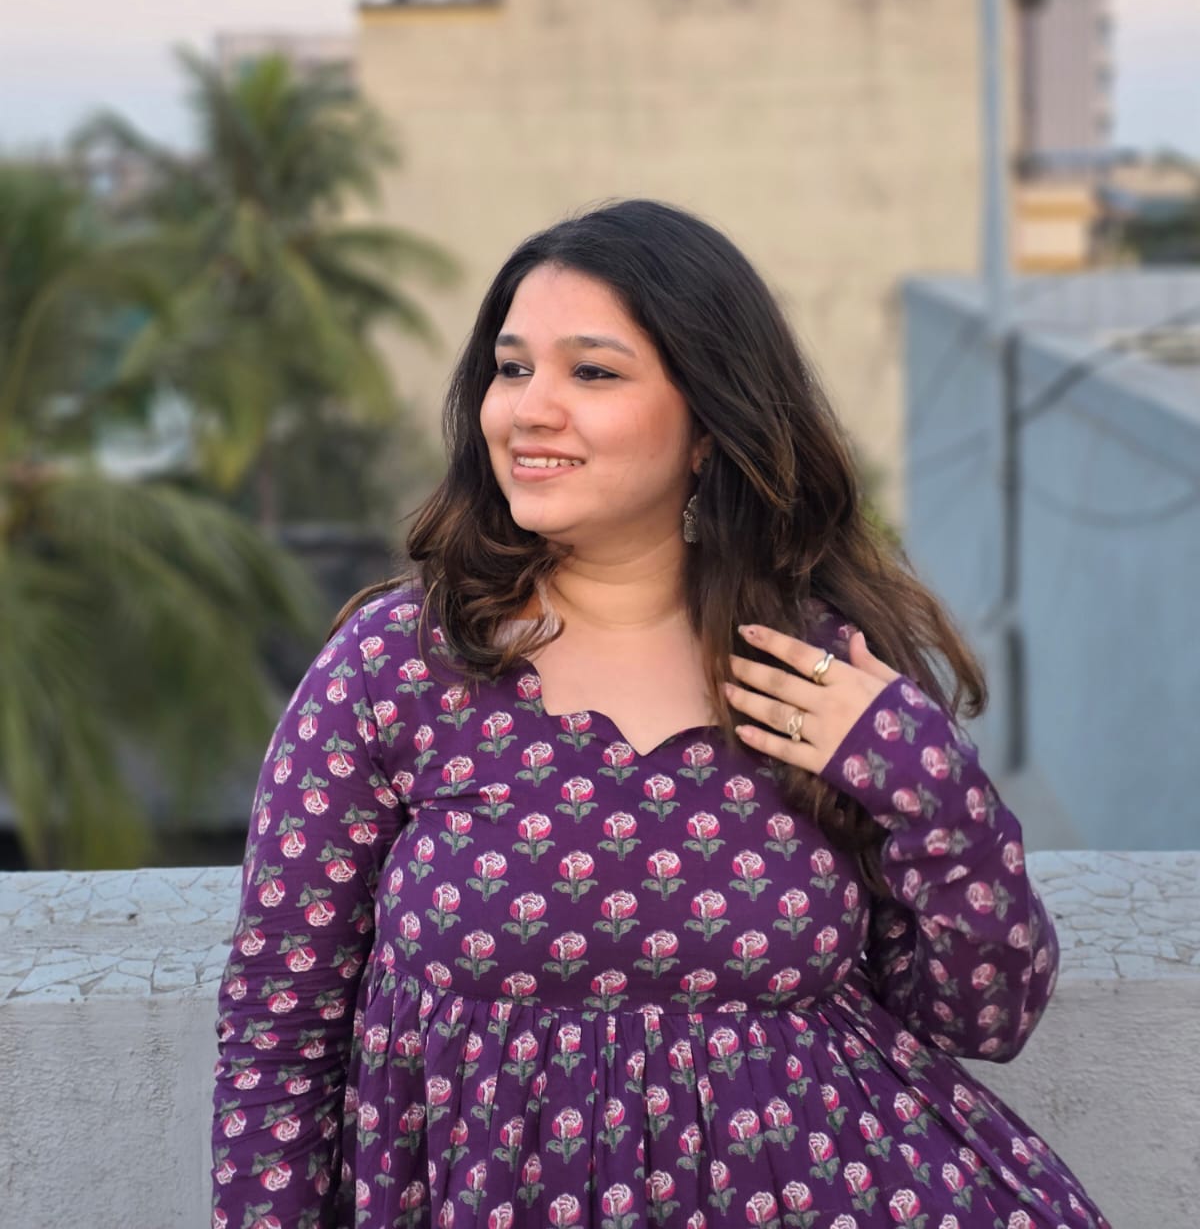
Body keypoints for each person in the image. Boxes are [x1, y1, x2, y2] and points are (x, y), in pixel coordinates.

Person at [211, 199, 1110, 1228]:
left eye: (593, 373)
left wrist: (927, 780)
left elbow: (984, 1018)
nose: (530, 409)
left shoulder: (817, 670)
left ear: (707, 427)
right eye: (512, 368)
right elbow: (279, 1029)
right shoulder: (399, 668)